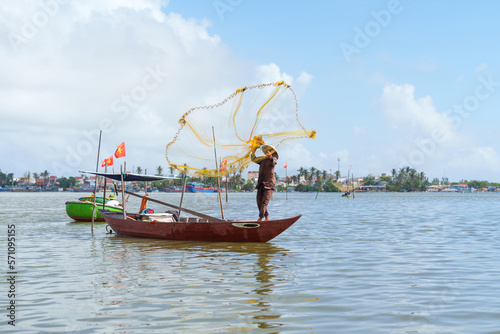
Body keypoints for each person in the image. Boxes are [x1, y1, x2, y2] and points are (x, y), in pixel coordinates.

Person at [251, 144, 278, 221]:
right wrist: (254, 150)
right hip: (261, 184)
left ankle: (261, 217)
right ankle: (266, 217)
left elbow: (274, 162)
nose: (268, 153)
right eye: (267, 151)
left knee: (264, 202)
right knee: (259, 201)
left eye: (270, 152)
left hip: (269, 185)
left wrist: (271, 157)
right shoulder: (262, 160)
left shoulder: (274, 159)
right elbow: (253, 159)